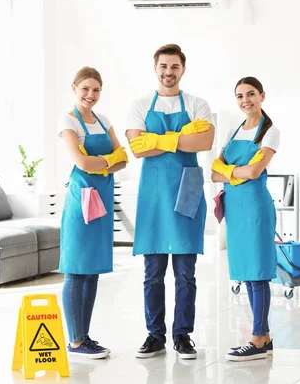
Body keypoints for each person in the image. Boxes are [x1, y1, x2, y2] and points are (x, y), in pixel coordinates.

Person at [126, 44, 215, 359]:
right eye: (163, 66)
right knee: (152, 272)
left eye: (174, 67)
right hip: (153, 196)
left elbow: (204, 141)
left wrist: (159, 139)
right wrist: (180, 138)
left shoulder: (196, 104)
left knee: (185, 273)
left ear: (183, 70)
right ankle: (155, 335)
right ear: (155, 68)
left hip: (186, 190)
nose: (168, 72)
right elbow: (137, 148)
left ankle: (182, 335)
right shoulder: (139, 105)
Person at [58, 67, 128, 359]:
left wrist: (103, 161)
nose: (90, 95)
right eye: (85, 89)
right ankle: (75, 341)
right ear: (74, 87)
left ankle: (83, 337)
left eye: (96, 90)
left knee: (93, 272)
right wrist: (108, 160)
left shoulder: (104, 120)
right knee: (76, 270)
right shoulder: (68, 122)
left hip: (102, 200)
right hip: (81, 202)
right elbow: (82, 164)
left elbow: (123, 160)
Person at [211, 76, 280, 361]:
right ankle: (262, 338)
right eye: (240, 96)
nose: (245, 100)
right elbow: (213, 172)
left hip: (254, 207)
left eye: (251, 94)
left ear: (262, 95)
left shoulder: (270, 132)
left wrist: (230, 172)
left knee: (258, 273)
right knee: (247, 274)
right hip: (235, 210)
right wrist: (234, 171)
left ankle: (257, 338)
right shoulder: (234, 130)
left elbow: (253, 172)